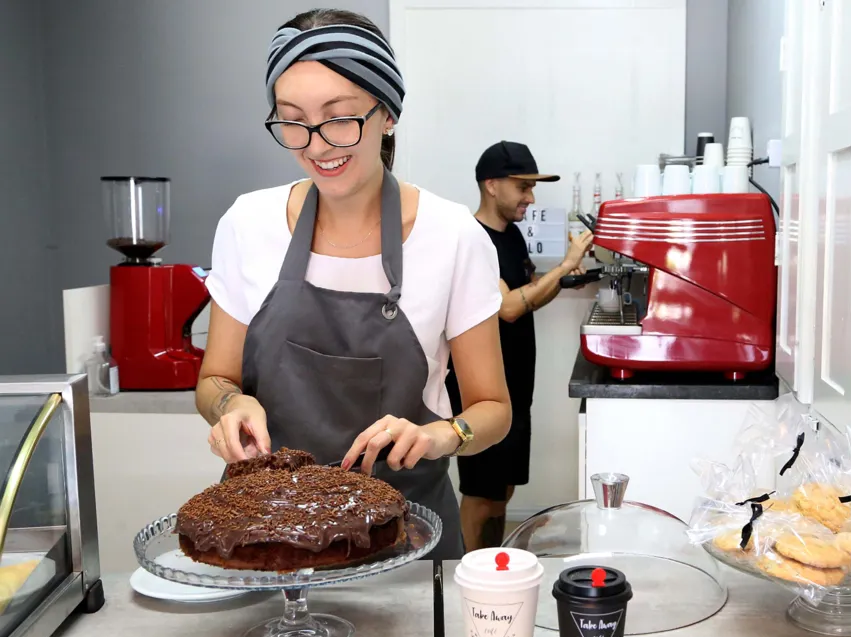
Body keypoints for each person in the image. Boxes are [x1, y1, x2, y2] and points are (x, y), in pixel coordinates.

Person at [195, 9, 512, 560]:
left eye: (339, 117)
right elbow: (214, 379)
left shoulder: (452, 234)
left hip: (407, 534)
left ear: (386, 113)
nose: (316, 144)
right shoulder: (247, 224)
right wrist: (230, 405)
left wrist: (442, 436)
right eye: (292, 119)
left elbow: (493, 408)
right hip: (266, 536)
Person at [446, 141, 593, 552]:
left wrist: (562, 281)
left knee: (504, 488)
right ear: (491, 185)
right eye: (523, 187)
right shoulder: (472, 240)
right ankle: (472, 569)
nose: (530, 198)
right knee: (481, 493)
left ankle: (495, 560)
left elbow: (525, 295)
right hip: (480, 389)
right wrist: (564, 264)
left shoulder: (510, 235)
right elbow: (508, 308)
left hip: (514, 386)